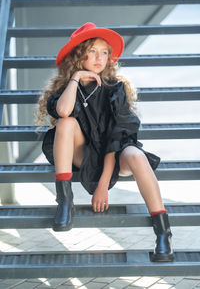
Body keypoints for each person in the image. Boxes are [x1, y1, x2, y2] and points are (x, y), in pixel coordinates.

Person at [36, 22, 174, 262]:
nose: (99, 58)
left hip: (115, 156)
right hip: (82, 155)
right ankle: (65, 201)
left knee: (137, 155)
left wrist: (102, 185)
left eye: (104, 52)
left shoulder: (114, 90)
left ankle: (163, 233)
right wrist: (76, 78)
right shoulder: (67, 89)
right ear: (79, 55)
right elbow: (63, 111)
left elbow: (115, 138)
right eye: (92, 51)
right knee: (66, 122)